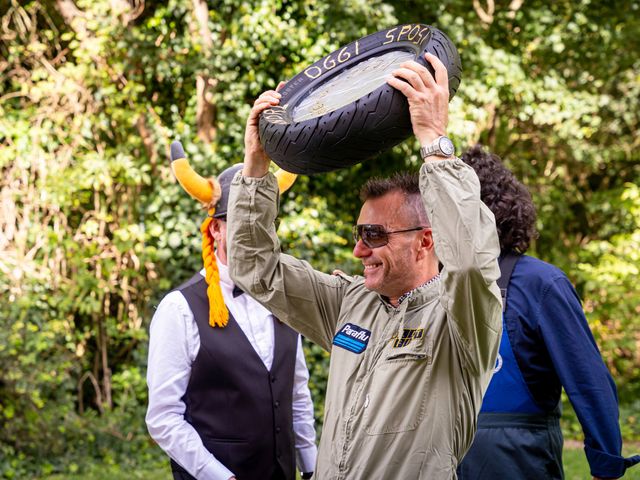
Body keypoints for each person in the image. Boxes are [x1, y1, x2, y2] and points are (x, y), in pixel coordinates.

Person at [225, 53, 503, 479]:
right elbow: (254, 267)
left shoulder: (460, 320)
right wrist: (256, 167)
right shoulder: (349, 303)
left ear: (424, 241)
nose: (359, 251)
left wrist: (434, 140)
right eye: (359, 235)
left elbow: (469, 263)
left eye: (374, 236)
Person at [456, 145, 640, 480]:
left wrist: (606, 462)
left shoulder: (541, 284)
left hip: (517, 460)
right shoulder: (435, 286)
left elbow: (588, 381)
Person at [146, 152, 317, 480]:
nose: (253, 235)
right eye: (240, 222)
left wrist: (311, 467)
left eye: (263, 223)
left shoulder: (285, 296)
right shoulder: (179, 309)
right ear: (216, 231)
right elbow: (164, 418)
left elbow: (296, 392)